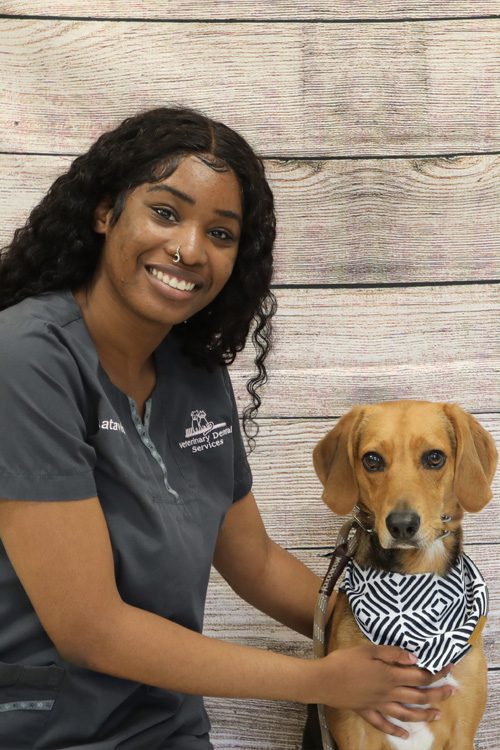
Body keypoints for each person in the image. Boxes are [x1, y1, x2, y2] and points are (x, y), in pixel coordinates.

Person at [0, 107, 454, 750]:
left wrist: (408, 635)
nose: (189, 249)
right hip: (46, 731)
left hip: (166, 730)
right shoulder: (25, 358)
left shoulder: (194, 374)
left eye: (220, 232)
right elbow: (90, 629)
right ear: (105, 211)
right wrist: (323, 680)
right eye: (165, 212)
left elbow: (256, 563)